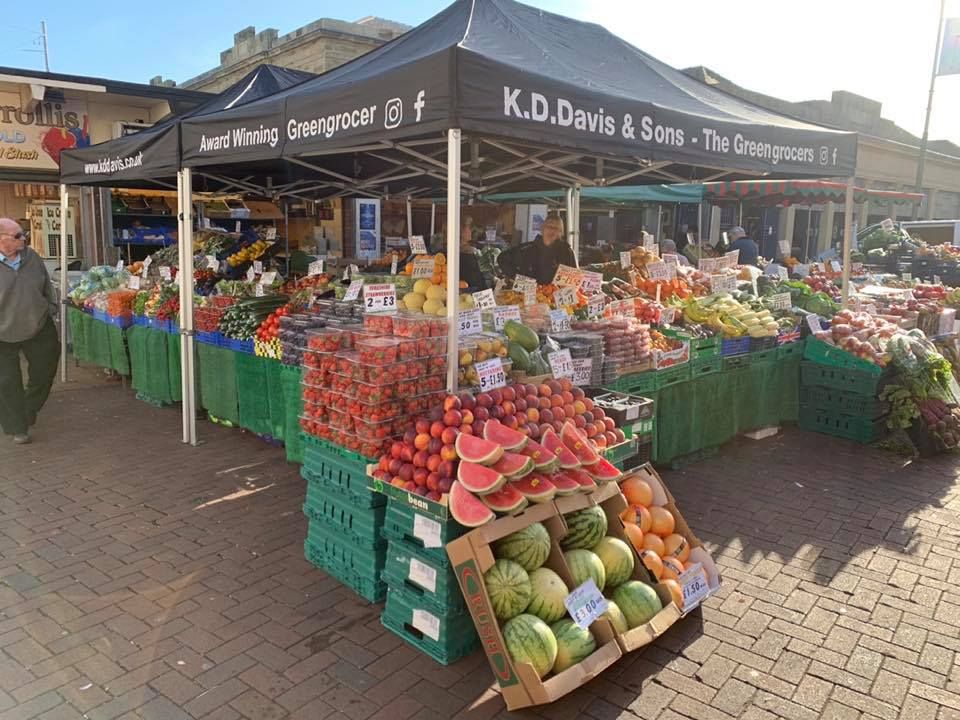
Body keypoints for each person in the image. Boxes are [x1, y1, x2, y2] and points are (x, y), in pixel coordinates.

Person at [0, 218, 60, 445]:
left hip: (37, 325)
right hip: (2, 333)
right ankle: (17, 426)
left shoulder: (30, 256)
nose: (23, 238)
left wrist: (50, 308)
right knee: (6, 381)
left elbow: (47, 284)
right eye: (17, 236)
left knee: (45, 368)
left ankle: (28, 407)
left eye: (23, 233)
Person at [498, 213, 576, 285]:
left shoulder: (567, 252)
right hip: (529, 296)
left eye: (556, 228)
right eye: (549, 226)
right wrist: (518, 278)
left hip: (556, 296)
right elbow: (501, 259)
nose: (551, 230)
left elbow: (575, 277)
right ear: (542, 228)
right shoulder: (526, 249)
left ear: (560, 233)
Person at [458, 219, 488, 291]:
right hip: (470, 291)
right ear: (461, 232)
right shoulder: (464, 254)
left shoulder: (469, 250)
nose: (471, 231)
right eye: (468, 228)